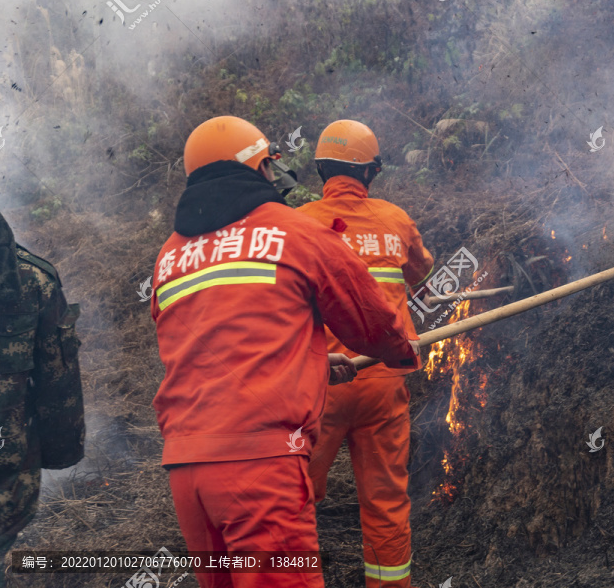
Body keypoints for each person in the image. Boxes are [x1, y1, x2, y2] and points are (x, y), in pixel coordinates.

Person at [151, 116, 419, 588]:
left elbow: (221, 346)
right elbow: (370, 323)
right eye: (270, 166)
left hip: (186, 466)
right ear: (256, 168)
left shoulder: (169, 257)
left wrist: (312, 363)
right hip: (259, 465)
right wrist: (400, 352)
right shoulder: (294, 231)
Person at [298, 120, 434, 588]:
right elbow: (421, 268)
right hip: (382, 381)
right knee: (385, 501)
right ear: (371, 172)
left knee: (292, 503)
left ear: (319, 169)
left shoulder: (299, 225)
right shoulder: (394, 220)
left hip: (317, 387)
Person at [0, 209, 85, 587]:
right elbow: (58, 383)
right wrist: (60, 453)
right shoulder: (31, 278)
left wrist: (62, 451)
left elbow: (58, 382)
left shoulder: (31, 282)